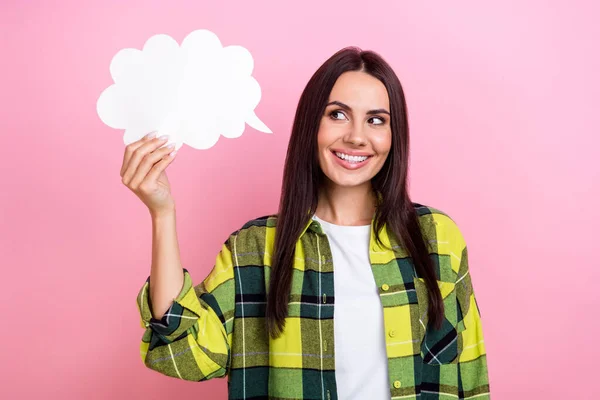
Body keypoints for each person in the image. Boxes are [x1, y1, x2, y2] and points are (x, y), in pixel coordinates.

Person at [121, 47, 490, 400]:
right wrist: (162, 213)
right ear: (311, 125)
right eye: (337, 114)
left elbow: (470, 377)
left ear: (394, 137)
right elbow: (184, 355)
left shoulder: (437, 239)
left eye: (376, 120)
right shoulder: (255, 248)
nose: (357, 136)